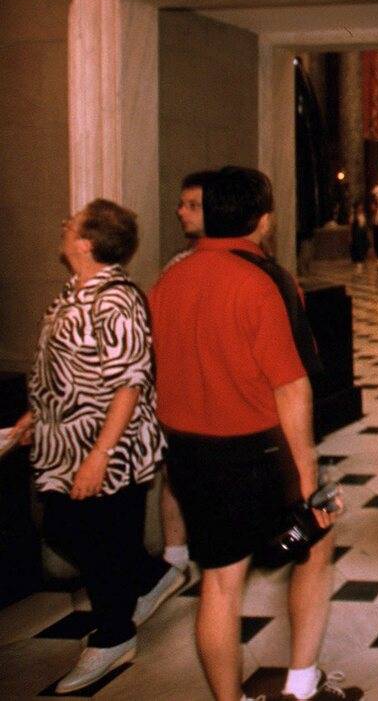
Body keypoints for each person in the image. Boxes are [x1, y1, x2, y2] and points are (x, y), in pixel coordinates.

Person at [149, 167, 359, 701]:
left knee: (220, 581)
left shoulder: (170, 279)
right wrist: (308, 478)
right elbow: (290, 387)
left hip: (189, 452)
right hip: (254, 451)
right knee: (316, 541)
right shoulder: (261, 280)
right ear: (263, 219)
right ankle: (302, 682)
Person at [15, 200, 183, 693]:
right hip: (62, 443)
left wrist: (100, 455)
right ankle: (151, 578)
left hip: (107, 447)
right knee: (71, 529)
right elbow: (59, 369)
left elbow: (129, 382)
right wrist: (34, 416)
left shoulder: (116, 299)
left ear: (86, 243)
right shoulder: (74, 292)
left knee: (96, 539)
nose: (64, 225)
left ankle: (114, 636)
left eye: (73, 223)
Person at [159, 170, 218, 576]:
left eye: (192, 205)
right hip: (182, 391)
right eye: (181, 204)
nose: (181, 212)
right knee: (176, 476)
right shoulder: (177, 265)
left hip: (219, 391)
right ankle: (174, 558)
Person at [348, 202, 369, 275]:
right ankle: (358, 268)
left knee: (362, 250)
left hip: (362, 235)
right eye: (359, 207)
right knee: (357, 250)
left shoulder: (363, 216)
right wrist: (350, 236)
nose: (361, 208)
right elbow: (350, 227)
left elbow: (365, 226)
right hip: (356, 235)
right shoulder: (353, 216)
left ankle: (360, 267)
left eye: (362, 207)